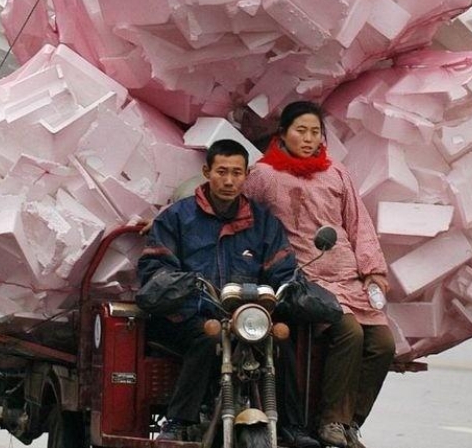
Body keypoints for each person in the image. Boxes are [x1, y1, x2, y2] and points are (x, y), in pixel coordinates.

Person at [137, 138, 319, 447]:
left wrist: (288, 287)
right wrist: (189, 286)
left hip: (246, 317)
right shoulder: (176, 217)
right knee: (207, 338)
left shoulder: (264, 223)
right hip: (189, 315)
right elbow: (155, 271)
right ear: (207, 171)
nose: (229, 180)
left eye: (237, 172)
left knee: (280, 340)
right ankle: (179, 420)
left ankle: (291, 425)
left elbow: (283, 267)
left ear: (247, 176)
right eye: (222, 171)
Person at [244, 101, 396, 448]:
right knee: (349, 333)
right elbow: (240, 215)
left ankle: (351, 421)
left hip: (346, 274)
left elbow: (358, 223)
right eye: (301, 131)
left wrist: (372, 270)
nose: (309, 139)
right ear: (282, 134)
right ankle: (330, 421)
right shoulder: (264, 175)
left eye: (315, 132)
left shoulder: (336, 172)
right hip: (303, 277)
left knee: (384, 345)